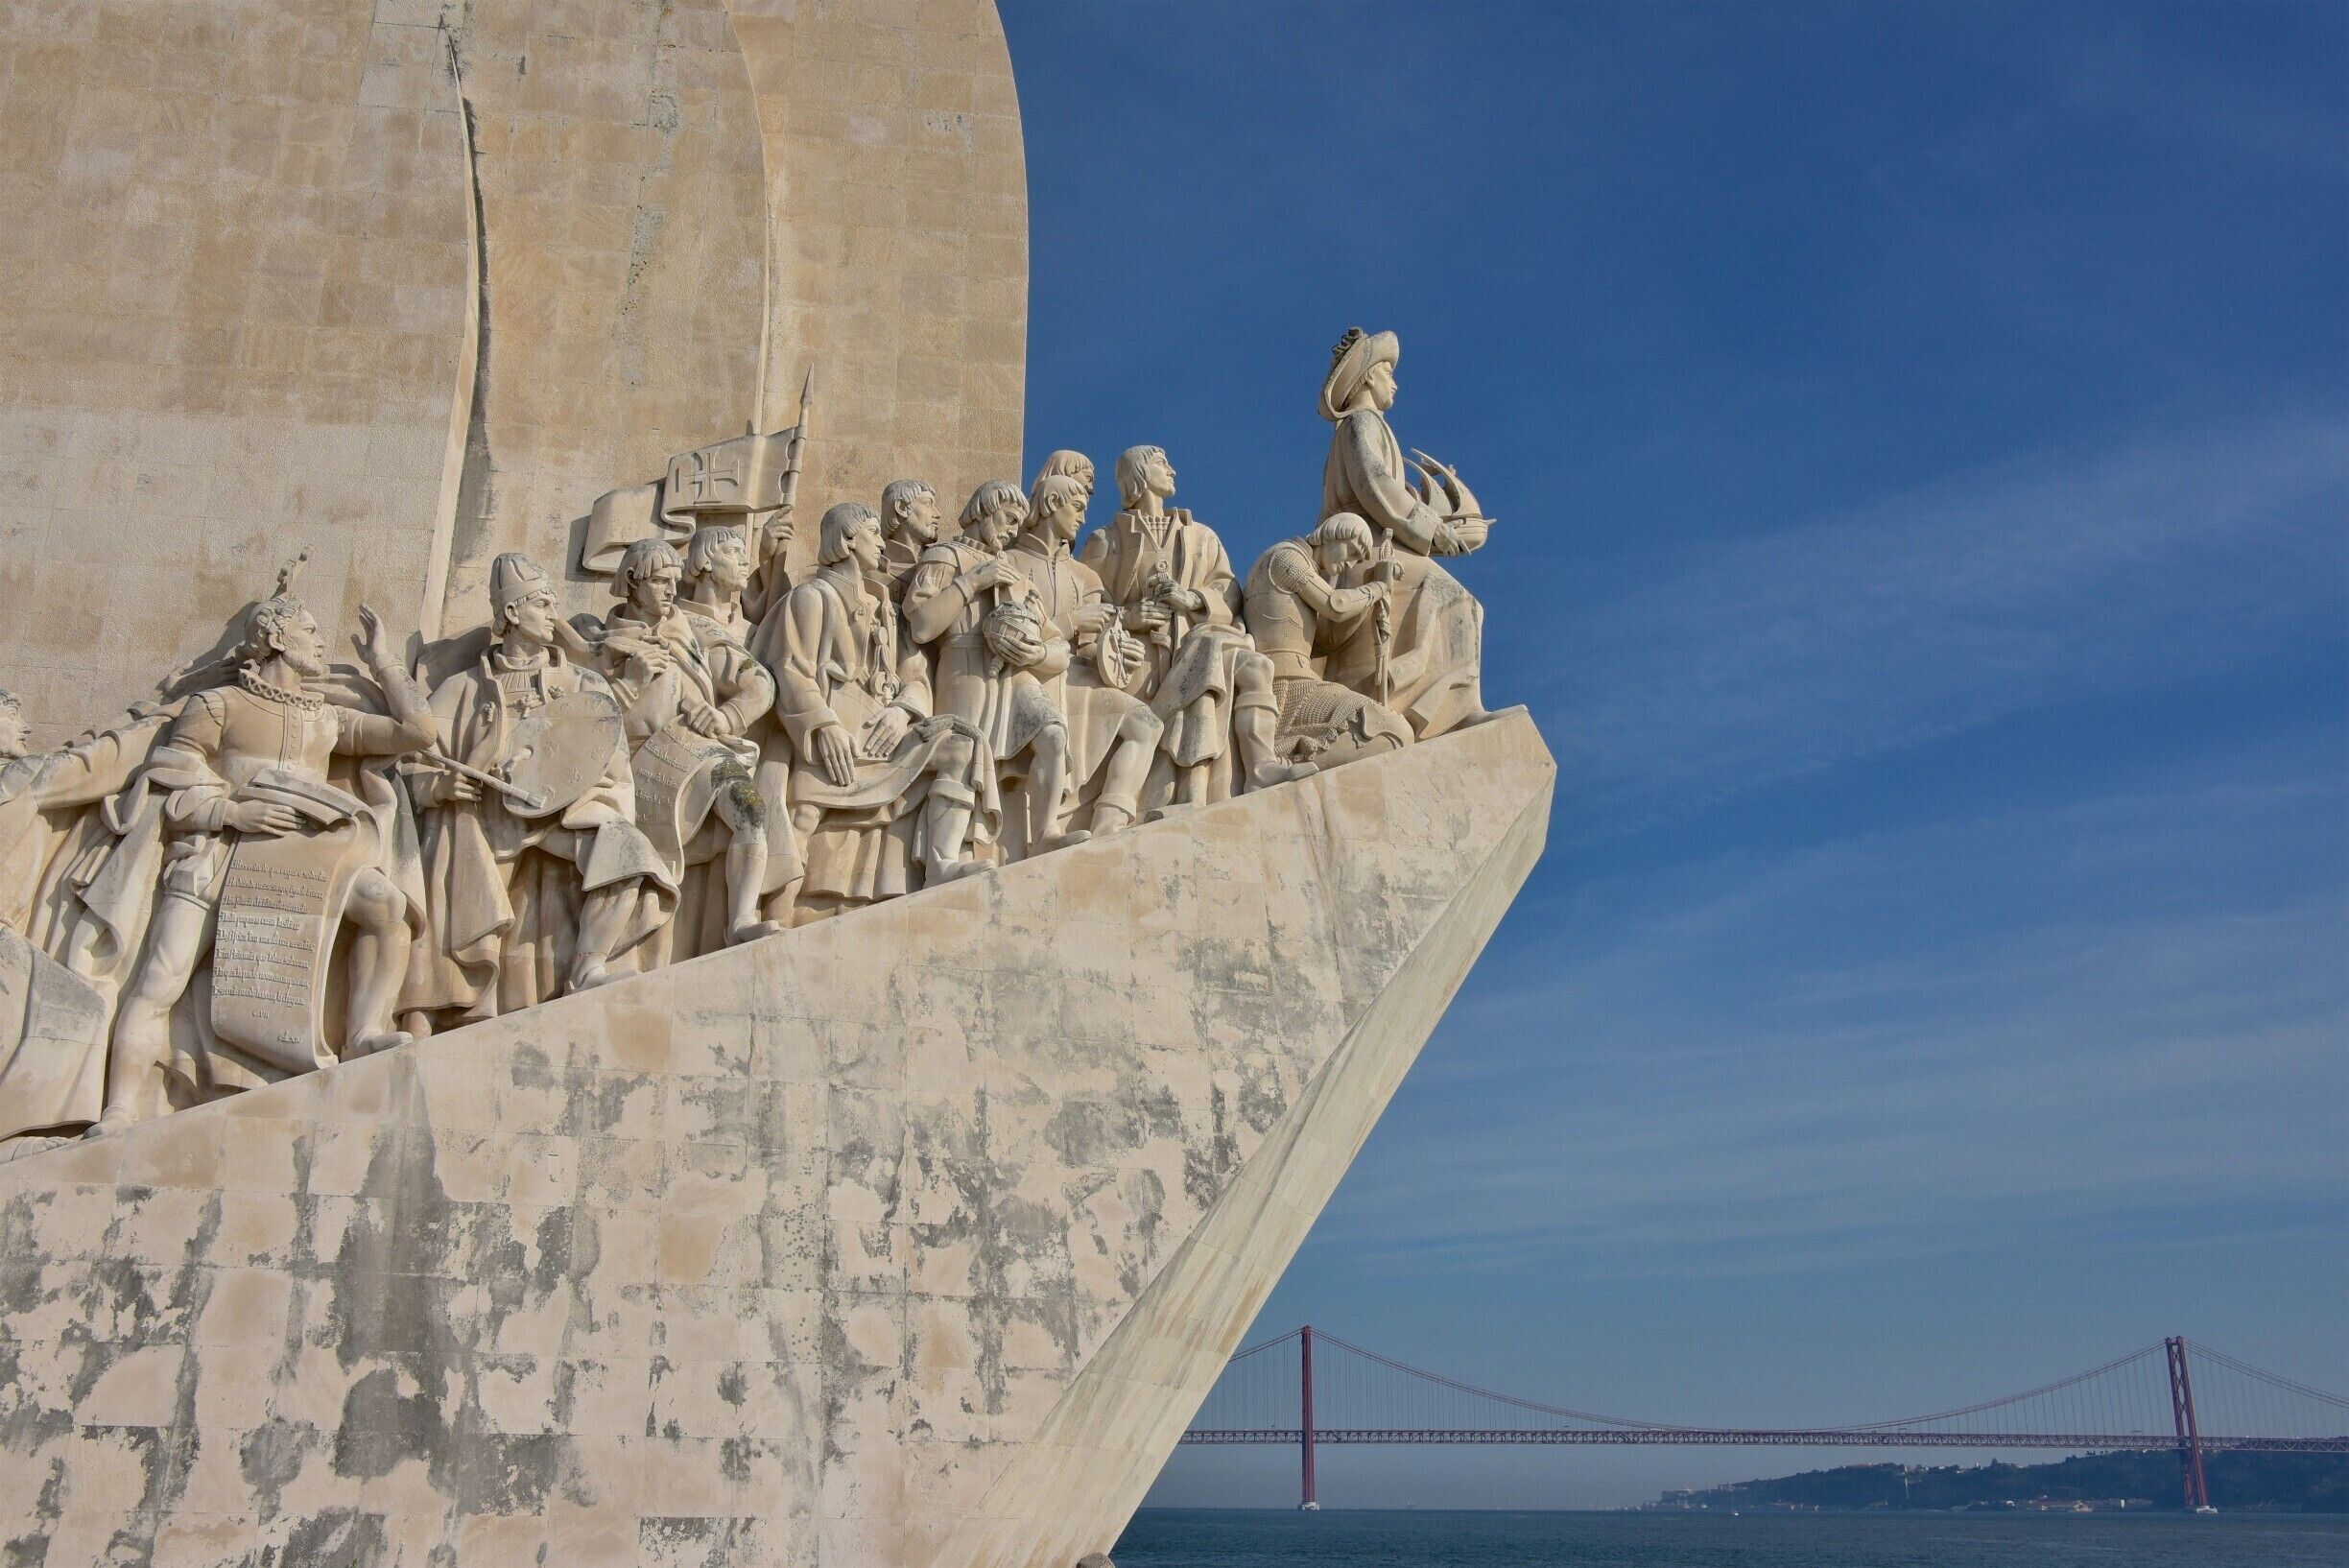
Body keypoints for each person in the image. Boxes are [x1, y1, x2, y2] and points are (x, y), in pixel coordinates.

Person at [103, 591, 436, 1125]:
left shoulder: (326, 719)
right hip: (222, 853)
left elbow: (418, 732)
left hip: (304, 859)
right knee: (161, 977)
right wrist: (232, 813)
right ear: (278, 638)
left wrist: (384, 661)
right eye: (311, 630)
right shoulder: (218, 705)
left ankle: (363, 1032)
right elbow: (168, 780)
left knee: (387, 907)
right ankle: (119, 1109)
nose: (322, 642)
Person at [401, 553, 674, 1030]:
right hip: (488, 818)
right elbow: (411, 762)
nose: (554, 616)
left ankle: (588, 965)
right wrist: (438, 786)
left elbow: (608, 754)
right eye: (542, 605)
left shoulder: (580, 682)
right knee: (459, 878)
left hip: (557, 813)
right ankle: (434, 1009)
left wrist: (582, 793)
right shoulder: (463, 688)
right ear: (512, 612)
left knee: (627, 852)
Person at [759, 502, 993, 919]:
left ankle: (941, 863)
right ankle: (772, 916)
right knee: (804, 813)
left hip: (884, 730)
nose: (882, 542)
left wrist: (903, 710)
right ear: (847, 540)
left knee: (962, 747)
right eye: (872, 532)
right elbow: (790, 668)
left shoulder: (886, 608)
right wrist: (822, 725)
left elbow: (915, 676)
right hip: (835, 729)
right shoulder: (812, 597)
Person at [1079, 444, 1309, 810]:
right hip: (1143, 664)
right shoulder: (1106, 541)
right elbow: (1086, 607)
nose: (1172, 470)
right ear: (1139, 474)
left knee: (1254, 666)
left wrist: (1192, 599)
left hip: (1199, 641)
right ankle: (1185, 795)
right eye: (1162, 463)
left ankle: (1260, 766)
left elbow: (1228, 592)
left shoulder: (1201, 536)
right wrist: (1129, 616)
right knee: (1209, 667)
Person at [604, 536, 782, 960]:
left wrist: (724, 716)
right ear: (632, 580)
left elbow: (759, 683)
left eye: (673, 581)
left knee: (751, 809)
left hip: (692, 747)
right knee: (631, 866)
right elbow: (592, 716)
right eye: (659, 581)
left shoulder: (688, 629)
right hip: (637, 761)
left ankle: (740, 921)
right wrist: (629, 684)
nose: (671, 591)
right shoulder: (601, 640)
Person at [1317, 327, 1491, 738]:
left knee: (1463, 603)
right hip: (1364, 550)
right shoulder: (1360, 422)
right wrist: (1432, 530)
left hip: (1381, 544)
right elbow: (1375, 485)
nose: (1394, 383)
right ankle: (1449, 709)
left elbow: (1388, 490)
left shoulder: (1369, 425)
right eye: (1388, 373)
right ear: (1369, 377)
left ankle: (1449, 704)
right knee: (1455, 598)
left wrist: (1432, 516)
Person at [904, 482, 1085, 856]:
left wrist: (1036, 653)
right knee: (966, 756)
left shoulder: (1017, 576)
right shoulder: (944, 557)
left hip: (1016, 675)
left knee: (1053, 735)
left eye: (1019, 523)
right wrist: (973, 581)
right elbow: (921, 626)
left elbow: (1057, 646)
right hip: (965, 667)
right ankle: (945, 856)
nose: (1013, 530)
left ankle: (1046, 832)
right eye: (1008, 519)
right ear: (984, 512)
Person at [1008, 471, 1161, 836]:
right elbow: (1011, 634)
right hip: (1026, 677)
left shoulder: (1085, 577)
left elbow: (1093, 644)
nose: (1082, 517)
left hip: (1075, 677)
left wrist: (1119, 652)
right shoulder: (1010, 563)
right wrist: (1071, 621)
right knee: (1052, 737)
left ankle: (1109, 826)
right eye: (1077, 507)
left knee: (1146, 724)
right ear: (1051, 503)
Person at [1243, 513, 1412, 771]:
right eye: (1351, 551)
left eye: (1357, 559)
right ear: (1333, 534)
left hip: (1299, 681)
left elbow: (1330, 638)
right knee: (1391, 730)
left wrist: (1371, 594)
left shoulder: (1307, 570)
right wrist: (1379, 586)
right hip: (1286, 685)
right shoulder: (1286, 557)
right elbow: (1336, 605)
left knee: (1395, 732)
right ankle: (1284, 767)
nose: (1350, 564)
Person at [876, 479, 942, 605]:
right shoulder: (869, 567)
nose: (937, 514)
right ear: (901, 507)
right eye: (928, 503)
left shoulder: (941, 564)